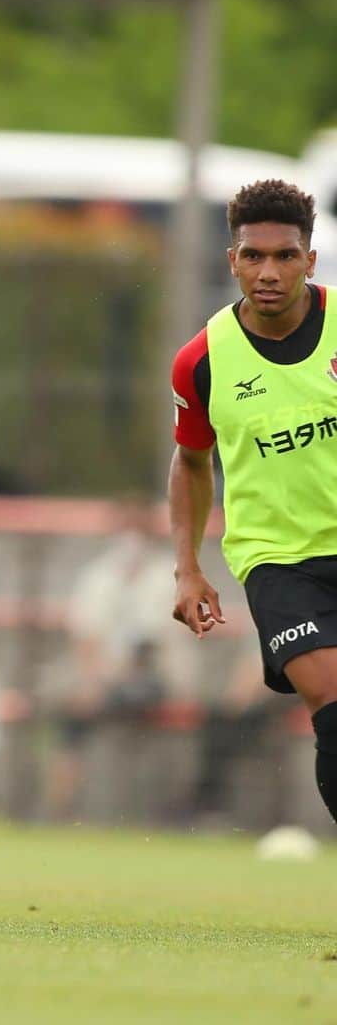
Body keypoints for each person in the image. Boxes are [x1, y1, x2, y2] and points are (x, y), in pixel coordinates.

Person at [169, 178, 337, 828]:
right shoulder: (201, 361)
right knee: (331, 705)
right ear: (232, 261)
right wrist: (187, 568)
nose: (269, 272)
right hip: (280, 564)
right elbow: (188, 461)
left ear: (310, 261)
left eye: (285, 256)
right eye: (254, 256)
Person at [43, 496, 195, 820]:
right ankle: (60, 806)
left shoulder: (167, 576)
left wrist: (108, 682)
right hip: (106, 681)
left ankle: (157, 811)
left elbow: (150, 647)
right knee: (70, 712)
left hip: (155, 679)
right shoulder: (99, 576)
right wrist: (95, 680)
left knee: (99, 704)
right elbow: (86, 638)